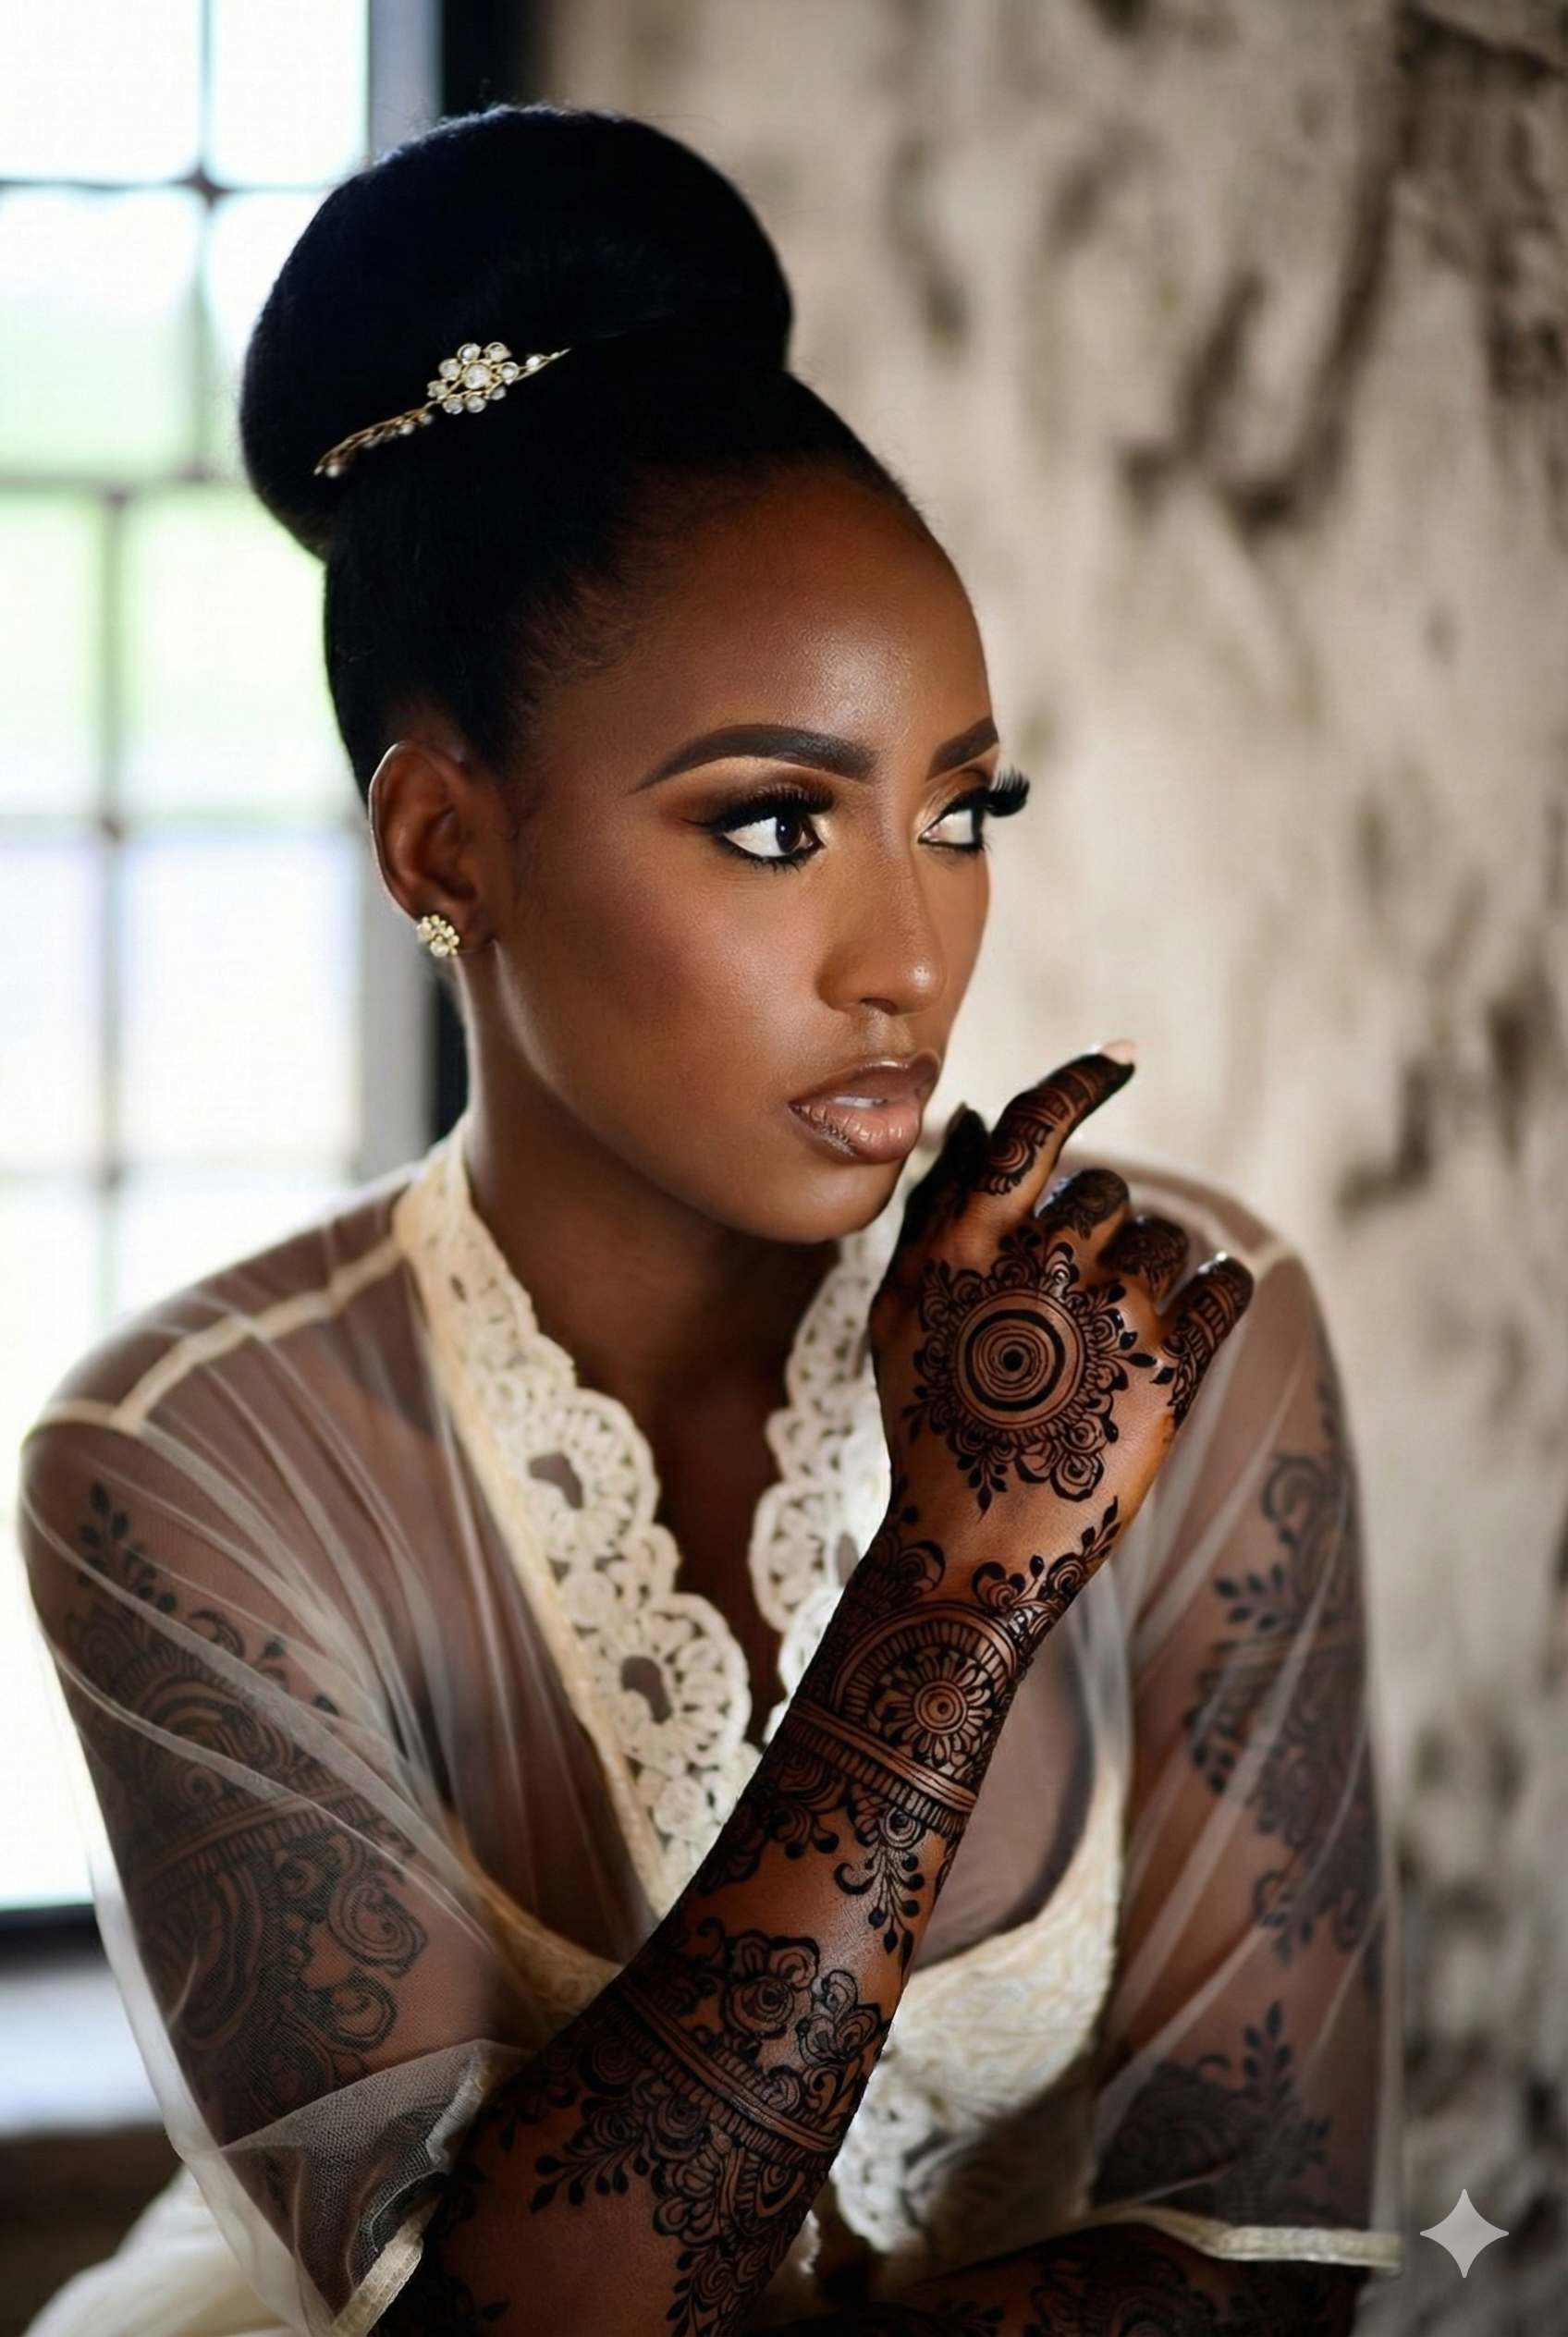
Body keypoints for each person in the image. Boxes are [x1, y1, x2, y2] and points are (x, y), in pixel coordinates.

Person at [20, 105, 1398, 2337]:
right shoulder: (178, 1466)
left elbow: (1278, 2261)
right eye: (773, 824)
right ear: (442, 847)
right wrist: (954, 1596)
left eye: (961, 810)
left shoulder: (1175, 1331)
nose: (911, 957)